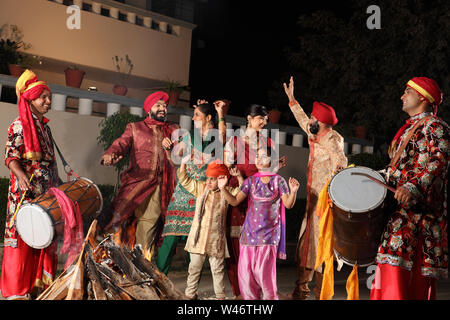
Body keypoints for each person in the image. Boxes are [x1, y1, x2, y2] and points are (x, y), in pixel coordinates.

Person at [370, 77, 449, 300]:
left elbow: (439, 160)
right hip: (399, 211)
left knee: (405, 275)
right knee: (390, 267)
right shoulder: (410, 129)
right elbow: (398, 168)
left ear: (423, 97)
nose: (402, 96)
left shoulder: (435, 126)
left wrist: (412, 188)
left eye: (407, 92)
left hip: (419, 218)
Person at [283, 76, 347, 299]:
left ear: (320, 122)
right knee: (306, 247)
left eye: (312, 117)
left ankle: (322, 294)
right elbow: (302, 120)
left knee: (322, 249)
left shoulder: (332, 139)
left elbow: (341, 158)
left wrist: (340, 166)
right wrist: (292, 100)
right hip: (312, 202)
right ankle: (300, 291)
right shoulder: (314, 132)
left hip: (325, 203)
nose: (308, 120)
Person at [0, 70, 61, 300]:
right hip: (24, 194)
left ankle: (39, 289)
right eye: (43, 97)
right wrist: (19, 173)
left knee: (43, 237)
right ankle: (15, 292)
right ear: (30, 99)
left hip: (45, 193)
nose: (48, 101)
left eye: (49, 97)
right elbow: (10, 155)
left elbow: (50, 160)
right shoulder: (18, 125)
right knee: (23, 239)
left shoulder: (45, 127)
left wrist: (58, 183)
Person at [96, 91, 179, 260]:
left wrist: (171, 148)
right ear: (149, 109)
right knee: (116, 220)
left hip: (158, 186)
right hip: (134, 184)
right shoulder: (135, 128)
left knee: (149, 226)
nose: (162, 108)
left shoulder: (173, 129)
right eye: (158, 105)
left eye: (164, 106)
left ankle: (143, 265)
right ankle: (107, 261)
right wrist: (110, 154)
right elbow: (121, 143)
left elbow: (182, 153)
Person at [223, 103, 287, 299]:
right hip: (241, 197)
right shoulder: (234, 142)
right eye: (261, 118)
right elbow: (228, 167)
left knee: (263, 253)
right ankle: (239, 293)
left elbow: (269, 172)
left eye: (266, 119)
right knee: (237, 248)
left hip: (262, 204)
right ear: (249, 119)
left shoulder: (269, 144)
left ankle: (263, 293)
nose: (264, 122)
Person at [156, 99, 227, 275]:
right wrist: (167, 149)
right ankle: (158, 279)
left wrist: (220, 114)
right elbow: (174, 161)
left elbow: (222, 136)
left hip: (201, 193)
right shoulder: (188, 137)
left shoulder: (216, 139)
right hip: (182, 192)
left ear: (208, 117)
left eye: (197, 115)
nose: (193, 118)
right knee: (170, 237)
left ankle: (191, 288)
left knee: (195, 240)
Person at [219, 148, 299, 300]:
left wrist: (294, 191)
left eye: (263, 156)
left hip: (269, 235)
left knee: (265, 274)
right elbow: (235, 201)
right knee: (246, 274)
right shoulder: (250, 181)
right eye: (257, 156)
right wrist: (222, 188)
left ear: (271, 160)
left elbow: (288, 204)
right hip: (249, 234)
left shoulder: (278, 181)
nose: (259, 159)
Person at [178, 157, 243, 300]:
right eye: (207, 178)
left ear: (222, 179)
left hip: (216, 240)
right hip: (198, 238)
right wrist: (183, 162)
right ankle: (189, 294)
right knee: (194, 268)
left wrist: (238, 176)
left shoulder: (226, 192)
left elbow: (242, 191)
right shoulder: (201, 187)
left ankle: (220, 296)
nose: (208, 182)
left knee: (218, 270)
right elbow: (184, 180)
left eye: (212, 179)